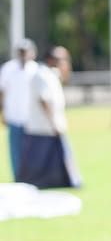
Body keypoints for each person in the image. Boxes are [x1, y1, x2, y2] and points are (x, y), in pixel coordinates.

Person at [17, 46, 81, 189]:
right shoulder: (41, 75)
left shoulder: (52, 74)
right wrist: (53, 123)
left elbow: (66, 77)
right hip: (42, 128)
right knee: (36, 165)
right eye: (59, 59)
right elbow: (43, 100)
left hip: (51, 126)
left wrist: (66, 65)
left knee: (57, 162)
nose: (62, 62)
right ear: (50, 60)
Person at [0, 38, 38, 179]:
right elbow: (2, 92)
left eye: (25, 52)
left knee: (32, 151)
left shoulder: (35, 69)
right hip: (14, 117)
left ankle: (31, 177)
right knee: (15, 152)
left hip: (31, 118)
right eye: (21, 52)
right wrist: (2, 113)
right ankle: (18, 179)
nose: (23, 55)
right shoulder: (8, 68)